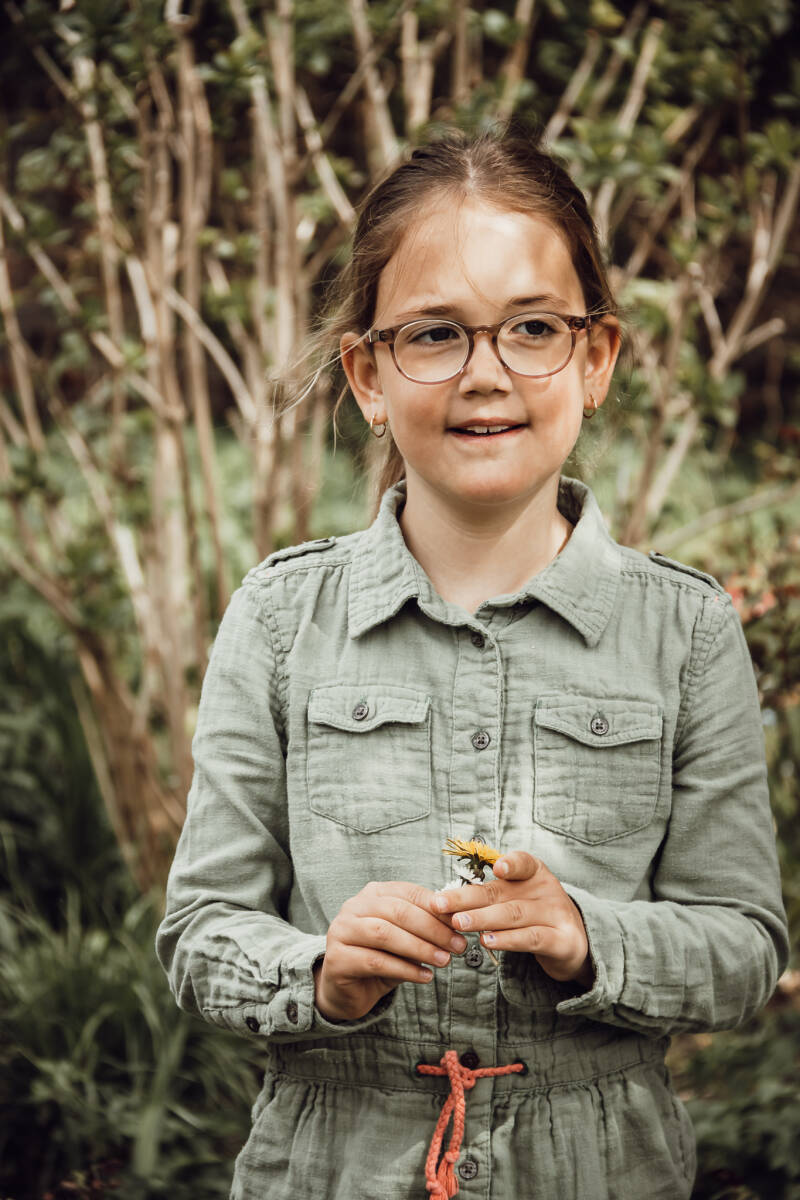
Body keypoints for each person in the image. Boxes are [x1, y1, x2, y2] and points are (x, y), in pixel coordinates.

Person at [155, 128, 788, 1200]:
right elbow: (200, 932)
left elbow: (743, 947)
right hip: (334, 1161)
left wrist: (585, 935)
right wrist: (322, 972)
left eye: (532, 328)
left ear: (595, 359)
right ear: (367, 375)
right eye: (435, 334)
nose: (485, 374)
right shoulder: (280, 618)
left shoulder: (685, 632)